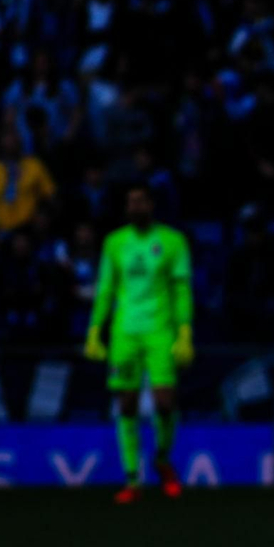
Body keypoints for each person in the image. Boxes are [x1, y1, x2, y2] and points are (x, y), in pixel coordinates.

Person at [83, 183, 193, 503]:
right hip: (125, 333)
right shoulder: (115, 243)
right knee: (127, 405)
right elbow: (105, 289)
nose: (136, 206)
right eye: (131, 201)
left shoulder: (173, 241)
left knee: (164, 402)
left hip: (160, 331)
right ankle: (132, 478)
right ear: (125, 207)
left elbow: (181, 289)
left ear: (151, 205)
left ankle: (161, 458)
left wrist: (185, 331)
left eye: (141, 201)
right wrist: (94, 330)